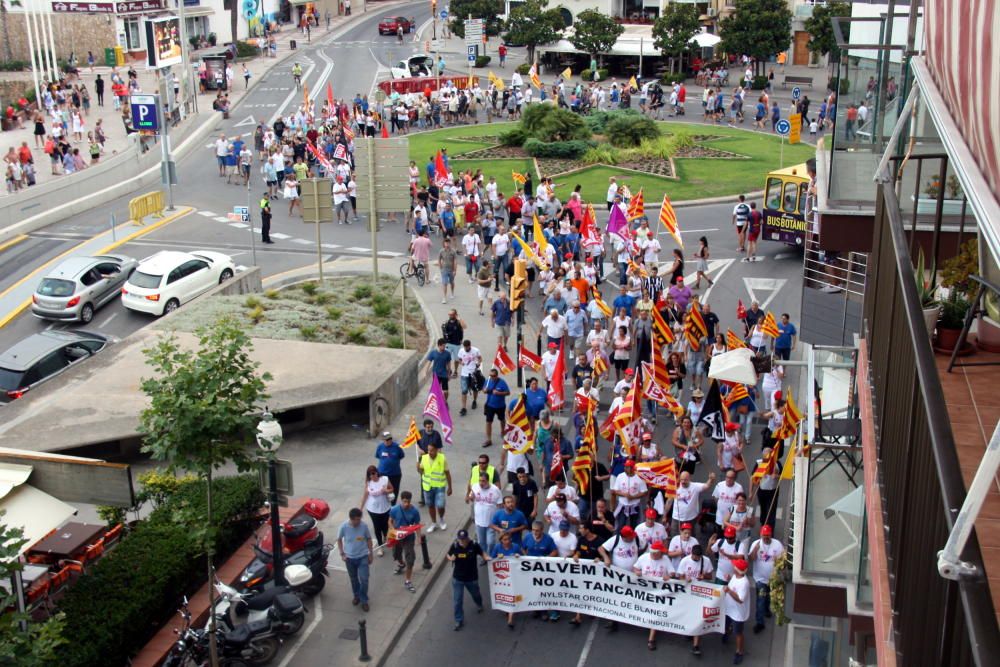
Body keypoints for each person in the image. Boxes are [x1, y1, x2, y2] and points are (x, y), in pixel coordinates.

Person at [447, 528, 488, 631]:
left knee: (476, 594)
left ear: (467, 538)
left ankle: (479, 604)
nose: (462, 541)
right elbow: (448, 554)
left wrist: (487, 558)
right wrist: (450, 558)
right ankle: (458, 619)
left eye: (464, 539)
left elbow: (482, 553)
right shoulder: (455, 545)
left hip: (471, 578)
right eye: (460, 539)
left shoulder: (474, 545)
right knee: (457, 600)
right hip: (458, 578)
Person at [749, 525, 784, 634]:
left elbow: (782, 559)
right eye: (764, 536)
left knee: (769, 596)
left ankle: (766, 610)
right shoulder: (756, 544)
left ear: (771, 535)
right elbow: (751, 559)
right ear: (761, 535)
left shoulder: (777, 544)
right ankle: (760, 622)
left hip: (773, 578)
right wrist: (755, 550)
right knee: (760, 600)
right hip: (760, 579)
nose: (766, 538)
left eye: (768, 536)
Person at [337, 508, 374, 611]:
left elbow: (369, 539)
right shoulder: (344, 527)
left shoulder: (364, 526)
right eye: (356, 520)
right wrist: (342, 554)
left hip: (363, 556)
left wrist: (370, 554)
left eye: (359, 519)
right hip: (349, 558)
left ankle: (364, 599)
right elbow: (339, 539)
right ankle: (356, 595)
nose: (358, 522)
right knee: (353, 579)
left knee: (364, 579)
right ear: (351, 519)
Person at [388, 490, 421, 593]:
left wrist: (419, 537)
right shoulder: (394, 509)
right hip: (396, 535)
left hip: (408, 537)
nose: (406, 504)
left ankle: (408, 581)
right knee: (396, 555)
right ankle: (401, 564)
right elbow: (390, 521)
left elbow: (417, 525)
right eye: (404, 501)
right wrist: (392, 530)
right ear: (401, 500)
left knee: (410, 559)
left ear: (410, 501)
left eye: (408, 502)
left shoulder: (414, 511)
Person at [418, 441, 452, 532]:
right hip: (427, 486)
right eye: (428, 450)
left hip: (439, 486)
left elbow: (447, 473)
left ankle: (441, 519)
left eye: (432, 450)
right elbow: (421, 472)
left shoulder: (442, 458)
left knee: (440, 505)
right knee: (430, 505)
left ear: (437, 450)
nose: (429, 452)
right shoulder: (424, 458)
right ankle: (433, 522)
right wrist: (418, 467)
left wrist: (450, 487)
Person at [722, 558, 751, 663]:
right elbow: (732, 585)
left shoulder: (744, 583)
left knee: (738, 633)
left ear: (737, 569)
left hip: (738, 613)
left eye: (735, 566)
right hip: (729, 609)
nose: (733, 567)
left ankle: (739, 651)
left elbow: (740, 600)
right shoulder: (735, 576)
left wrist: (729, 591)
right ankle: (728, 631)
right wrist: (729, 578)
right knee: (725, 625)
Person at [669, 470, 716, 534]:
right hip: (677, 518)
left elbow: (706, 486)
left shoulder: (695, 486)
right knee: (675, 535)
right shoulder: (675, 486)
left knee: (690, 536)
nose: (683, 482)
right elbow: (669, 501)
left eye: (685, 480)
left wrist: (711, 479)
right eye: (681, 479)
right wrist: (665, 515)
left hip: (691, 518)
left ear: (689, 479)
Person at [360, 465, 393, 555]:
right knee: (377, 527)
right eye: (370, 475)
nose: (372, 476)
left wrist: (386, 491)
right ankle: (380, 546)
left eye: (374, 473)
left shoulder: (385, 479)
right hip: (373, 509)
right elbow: (365, 495)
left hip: (385, 507)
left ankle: (385, 536)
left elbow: (391, 488)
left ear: (377, 472)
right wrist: (361, 508)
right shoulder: (369, 483)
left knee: (385, 526)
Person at [468, 473, 502, 551]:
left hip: (491, 523)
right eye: (480, 480)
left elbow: (500, 505)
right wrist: (471, 497)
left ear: (488, 481)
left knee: (490, 542)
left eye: (483, 481)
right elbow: (471, 498)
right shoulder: (475, 487)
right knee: (481, 542)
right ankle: (485, 557)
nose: (481, 483)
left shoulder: (495, 490)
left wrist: (499, 521)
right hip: (479, 521)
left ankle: (491, 557)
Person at [374, 430, 405, 504]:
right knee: (382, 489)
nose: (388, 441)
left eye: (390, 439)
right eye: (386, 439)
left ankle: (393, 505)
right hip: (382, 473)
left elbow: (401, 456)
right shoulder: (380, 447)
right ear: (383, 440)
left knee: (394, 490)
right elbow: (378, 456)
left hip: (395, 474)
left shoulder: (397, 447)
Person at [482, 368, 510, 448]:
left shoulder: (502, 382)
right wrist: (484, 390)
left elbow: (508, 392)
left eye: (493, 376)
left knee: (502, 420)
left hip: (500, 406)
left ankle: (503, 432)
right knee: (488, 422)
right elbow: (483, 389)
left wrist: (499, 393)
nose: (492, 377)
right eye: (490, 376)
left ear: (497, 376)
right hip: (490, 405)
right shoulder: (487, 381)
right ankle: (488, 439)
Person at [439, 236, 457, 303]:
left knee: (452, 282)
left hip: (451, 269)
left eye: (448, 243)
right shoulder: (441, 251)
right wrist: (440, 268)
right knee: (445, 283)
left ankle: (452, 293)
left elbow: (455, 261)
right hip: (444, 269)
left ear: (450, 243)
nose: (447, 244)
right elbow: (439, 259)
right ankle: (444, 297)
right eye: (446, 243)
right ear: (444, 244)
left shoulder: (453, 251)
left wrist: (455, 270)